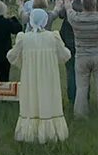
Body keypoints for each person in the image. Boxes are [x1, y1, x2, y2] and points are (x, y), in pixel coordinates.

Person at [7, 9, 71, 143]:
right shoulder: (53, 37)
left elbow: (12, 56)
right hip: (49, 77)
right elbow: (65, 55)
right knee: (48, 99)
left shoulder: (24, 38)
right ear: (45, 20)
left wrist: (24, 62)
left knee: (31, 99)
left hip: (30, 77)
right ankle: (50, 132)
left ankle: (30, 132)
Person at [69, 0, 98, 117]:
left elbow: (68, 9)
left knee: (81, 88)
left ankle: (80, 114)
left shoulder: (76, 18)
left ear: (82, 5)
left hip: (82, 56)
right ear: (95, 4)